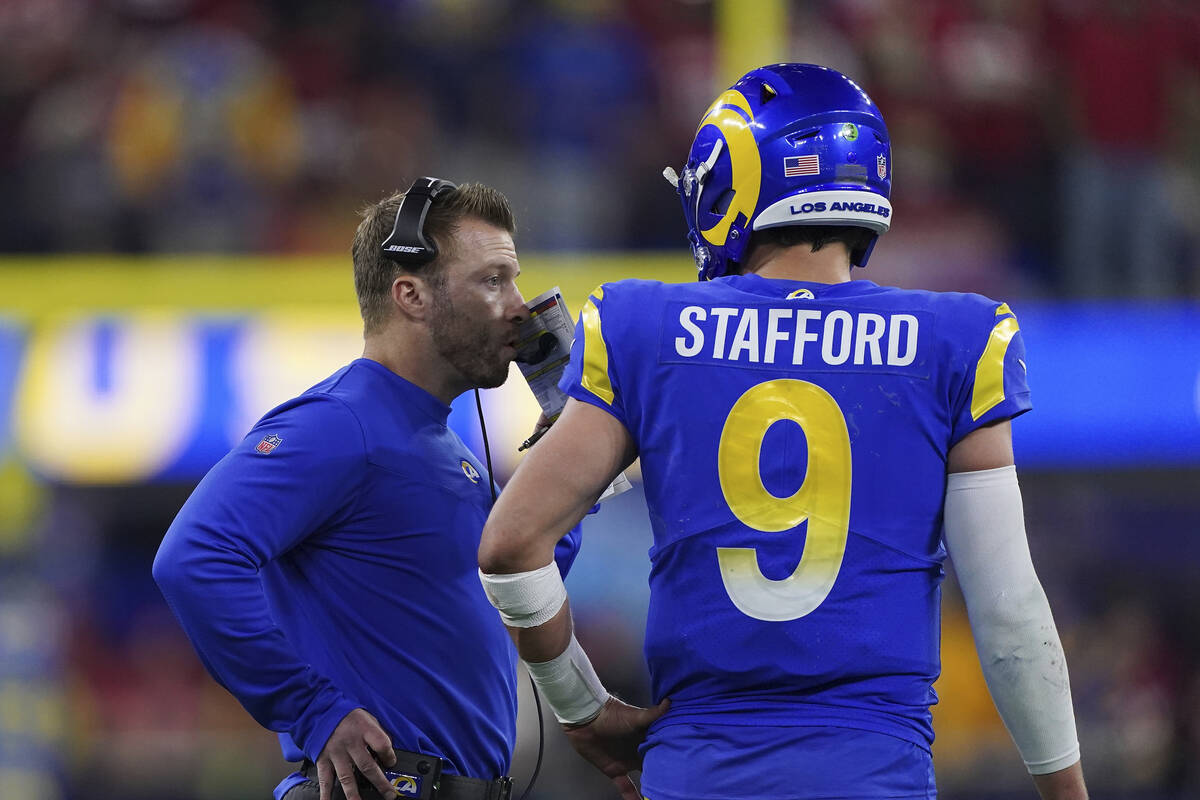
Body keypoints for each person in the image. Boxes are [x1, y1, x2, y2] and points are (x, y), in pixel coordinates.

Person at [478, 64, 1089, 800]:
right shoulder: (956, 339)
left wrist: (585, 711)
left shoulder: (643, 327)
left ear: (731, 179)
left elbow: (512, 549)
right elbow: (1008, 611)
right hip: (873, 771)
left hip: (698, 770)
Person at [153, 178, 581, 800]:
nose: (520, 306)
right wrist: (312, 710)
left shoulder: (441, 445)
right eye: (493, 281)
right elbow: (193, 558)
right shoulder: (340, 423)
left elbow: (517, 587)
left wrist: (571, 457)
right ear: (411, 295)